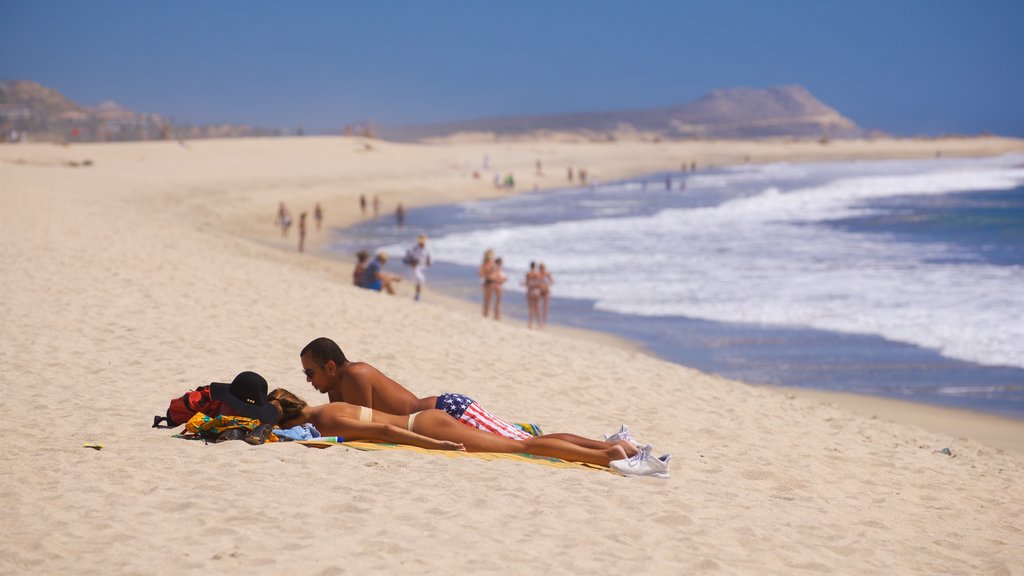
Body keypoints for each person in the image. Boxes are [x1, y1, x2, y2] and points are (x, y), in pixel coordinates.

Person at [269, 388, 668, 476]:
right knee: (519, 442)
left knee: (521, 445)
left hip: (425, 426)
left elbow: (387, 429)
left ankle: (609, 457)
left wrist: (435, 444)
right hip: (427, 418)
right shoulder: (326, 407)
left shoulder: (326, 421)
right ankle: (615, 449)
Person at [301, 337, 546, 440]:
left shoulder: (355, 375)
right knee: (505, 436)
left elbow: (366, 427)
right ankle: (512, 426)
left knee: (523, 442)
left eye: (310, 373)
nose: (309, 381)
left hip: (449, 411)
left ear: (331, 367)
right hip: (436, 420)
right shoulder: (334, 389)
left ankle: (521, 430)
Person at [403, 234, 431, 301]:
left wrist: (429, 261)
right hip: (415, 266)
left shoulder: (427, 247)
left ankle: (417, 295)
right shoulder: (414, 248)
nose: (423, 242)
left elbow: (428, 256)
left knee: (419, 281)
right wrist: (412, 262)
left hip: (423, 266)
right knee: (420, 279)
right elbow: (408, 256)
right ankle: (417, 296)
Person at [524, 261, 543, 329]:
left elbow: (527, 284)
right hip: (536, 291)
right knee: (537, 308)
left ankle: (530, 323)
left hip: (530, 291)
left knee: (530, 308)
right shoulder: (538, 274)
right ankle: (538, 323)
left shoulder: (528, 274)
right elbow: (540, 283)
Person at [479, 249, 496, 318]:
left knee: (486, 299)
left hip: (486, 281)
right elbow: (492, 273)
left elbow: (481, 274)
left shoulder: (484, 263)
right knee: (488, 299)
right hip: (489, 281)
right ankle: (486, 313)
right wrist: (489, 276)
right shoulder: (490, 263)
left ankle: (485, 313)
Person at [538, 262, 553, 327]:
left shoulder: (547, 274)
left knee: (545, 307)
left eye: (542, 267)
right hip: (540, 291)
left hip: (546, 291)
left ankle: (543, 322)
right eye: (540, 268)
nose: (541, 269)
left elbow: (552, 281)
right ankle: (538, 321)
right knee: (538, 306)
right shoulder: (538, 274)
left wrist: (547, 285)